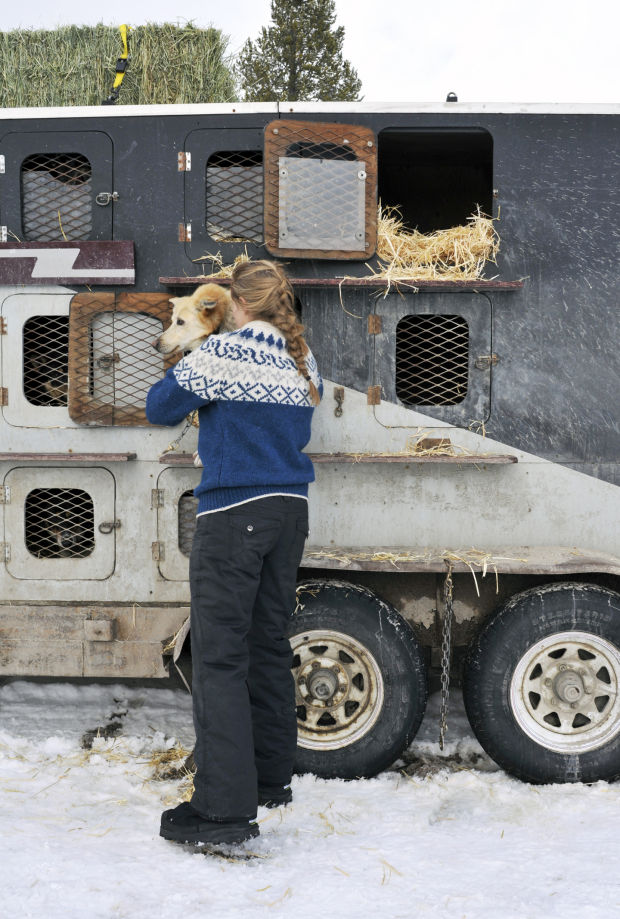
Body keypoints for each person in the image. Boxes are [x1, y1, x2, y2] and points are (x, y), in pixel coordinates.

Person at [146, 260, 322, 847]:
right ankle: (271, 778)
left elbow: (159, 406)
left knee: (219, 658)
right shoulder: (302, 357)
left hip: (233, 514)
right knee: (266, 644)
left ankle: (222, 811)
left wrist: (195, 344)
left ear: (235, 305)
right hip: (289, 512)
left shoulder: (223, 352)